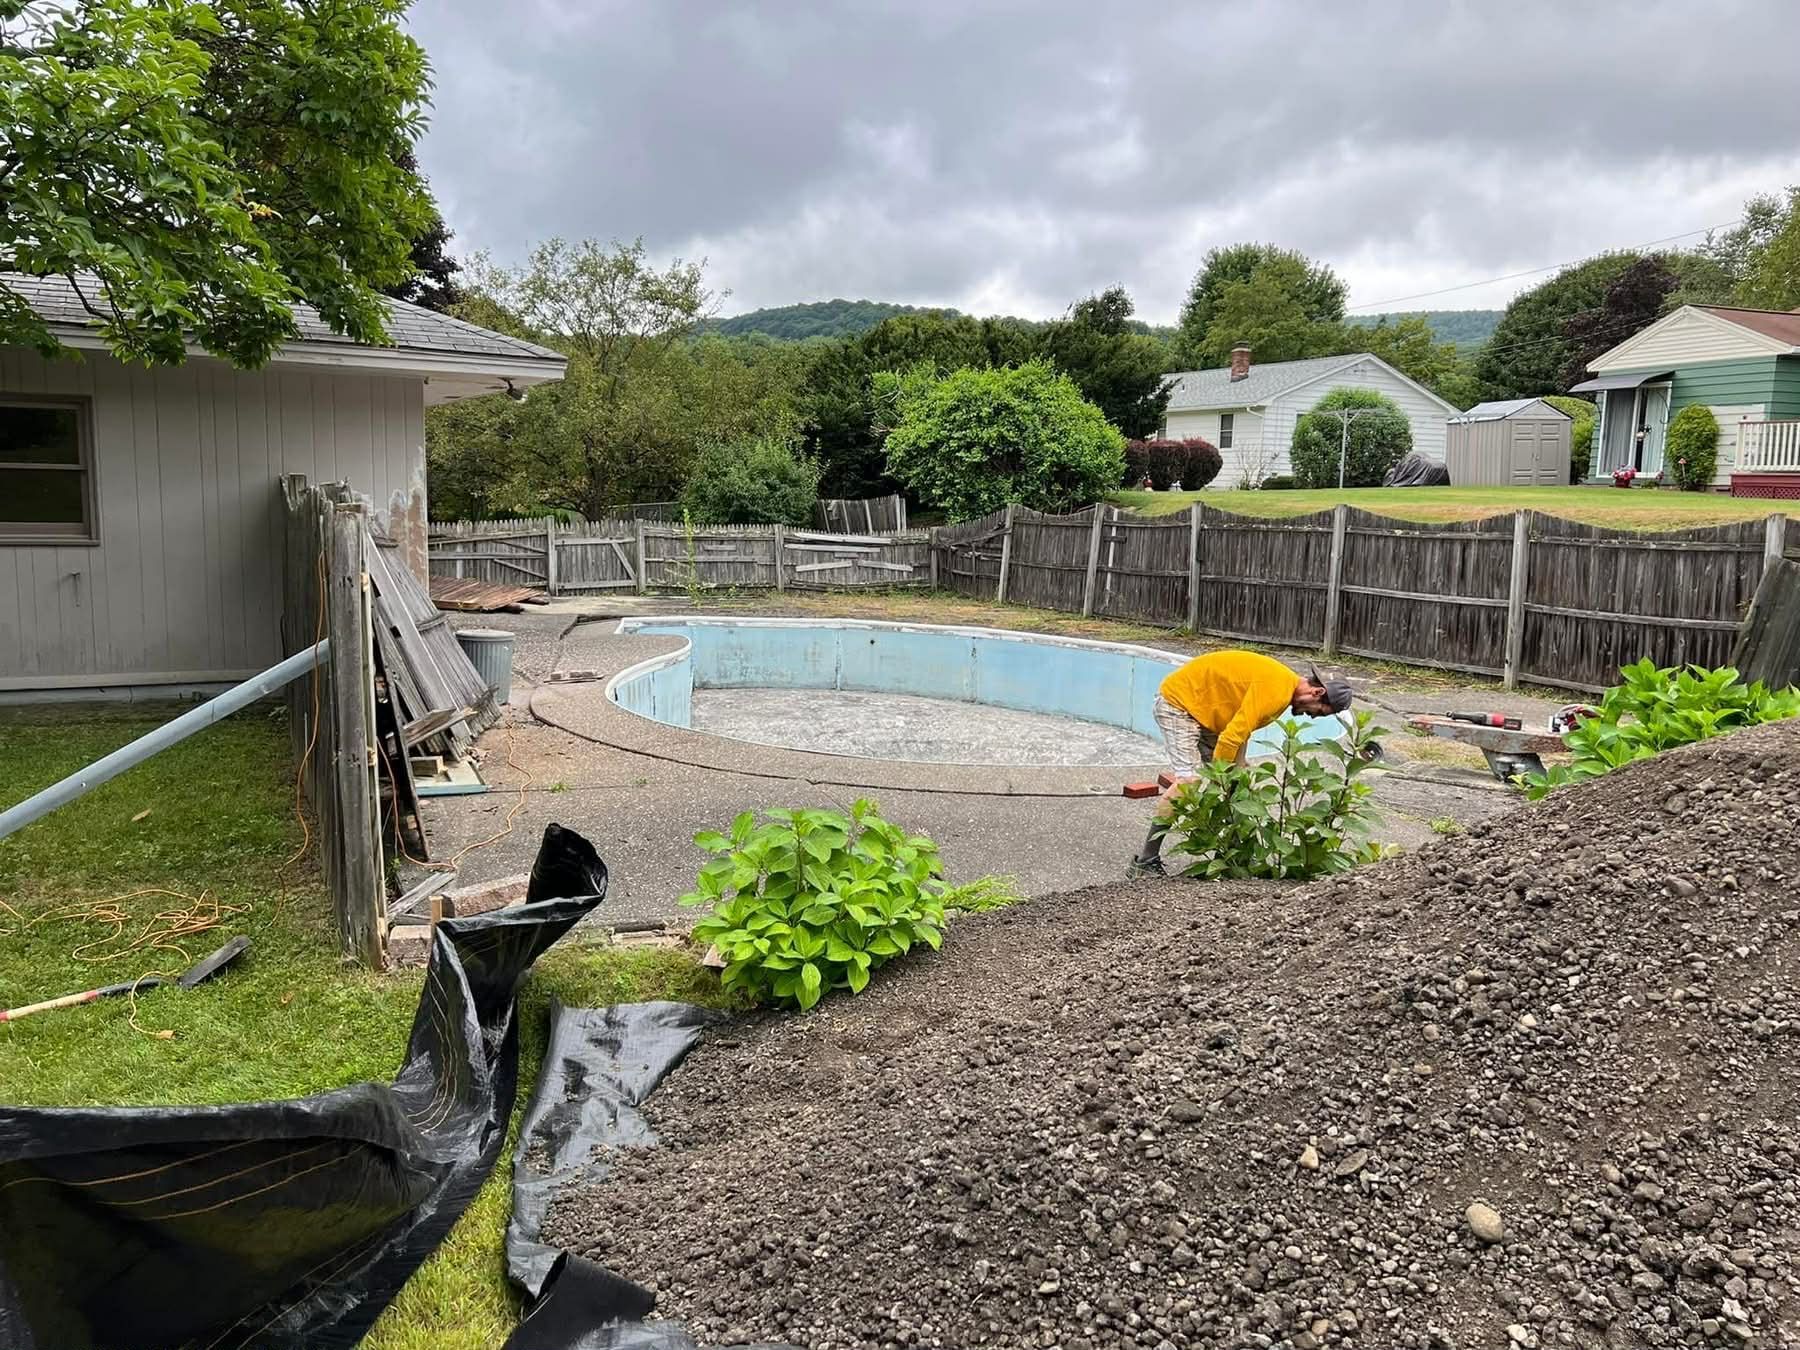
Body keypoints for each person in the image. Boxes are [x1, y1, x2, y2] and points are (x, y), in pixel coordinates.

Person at [1129, 650, 1353, 876]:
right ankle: (1146, 861)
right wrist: (1222, 780)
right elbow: (1230, 738)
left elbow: (1242, 729)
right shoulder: (1276, 690)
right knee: (1189, 782)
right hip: (1180, 704)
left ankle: (1232, 851)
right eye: (1320, 712)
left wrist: (1238, 768)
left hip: (1203, 708)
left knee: (1239, 776)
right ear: (1317, 692)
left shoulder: (1282, 689)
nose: (1312, 717)